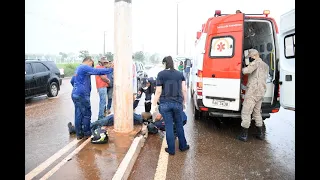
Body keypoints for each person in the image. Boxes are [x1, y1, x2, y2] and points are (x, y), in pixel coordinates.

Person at [151, 56, 189, 155]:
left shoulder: (161, 74)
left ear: (164, 63)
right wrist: (185, 103)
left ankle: (171, 149)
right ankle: (183, 146)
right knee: (179, 125)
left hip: (165, 104)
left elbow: (158, 91)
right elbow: (184, 89)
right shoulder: (180, 74)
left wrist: (153, 105)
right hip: (177, 103)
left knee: (169, 127)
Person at [70, 56, 113, 140]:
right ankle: (87, 133)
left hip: (75, 94)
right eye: (91, 64)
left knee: (78, 114)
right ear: (89, 61)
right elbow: (96, 71)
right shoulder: (84, 67)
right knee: (86, 114)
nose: (91, 66)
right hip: (82, 95)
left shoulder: (78, 68)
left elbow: (72, 81)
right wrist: (111, 69)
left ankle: (79, 134)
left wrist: (77, 87)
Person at [237, 49, 269, 142]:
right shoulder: (265, 65)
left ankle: (244, 136)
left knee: (246, 112)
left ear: (253, 56)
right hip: (261, 91)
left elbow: (245, 71)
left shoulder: (255, 63)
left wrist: (241, 67)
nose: (250, 59)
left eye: (250, 57)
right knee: (257, 112)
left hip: (253, 91)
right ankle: (261, 134)